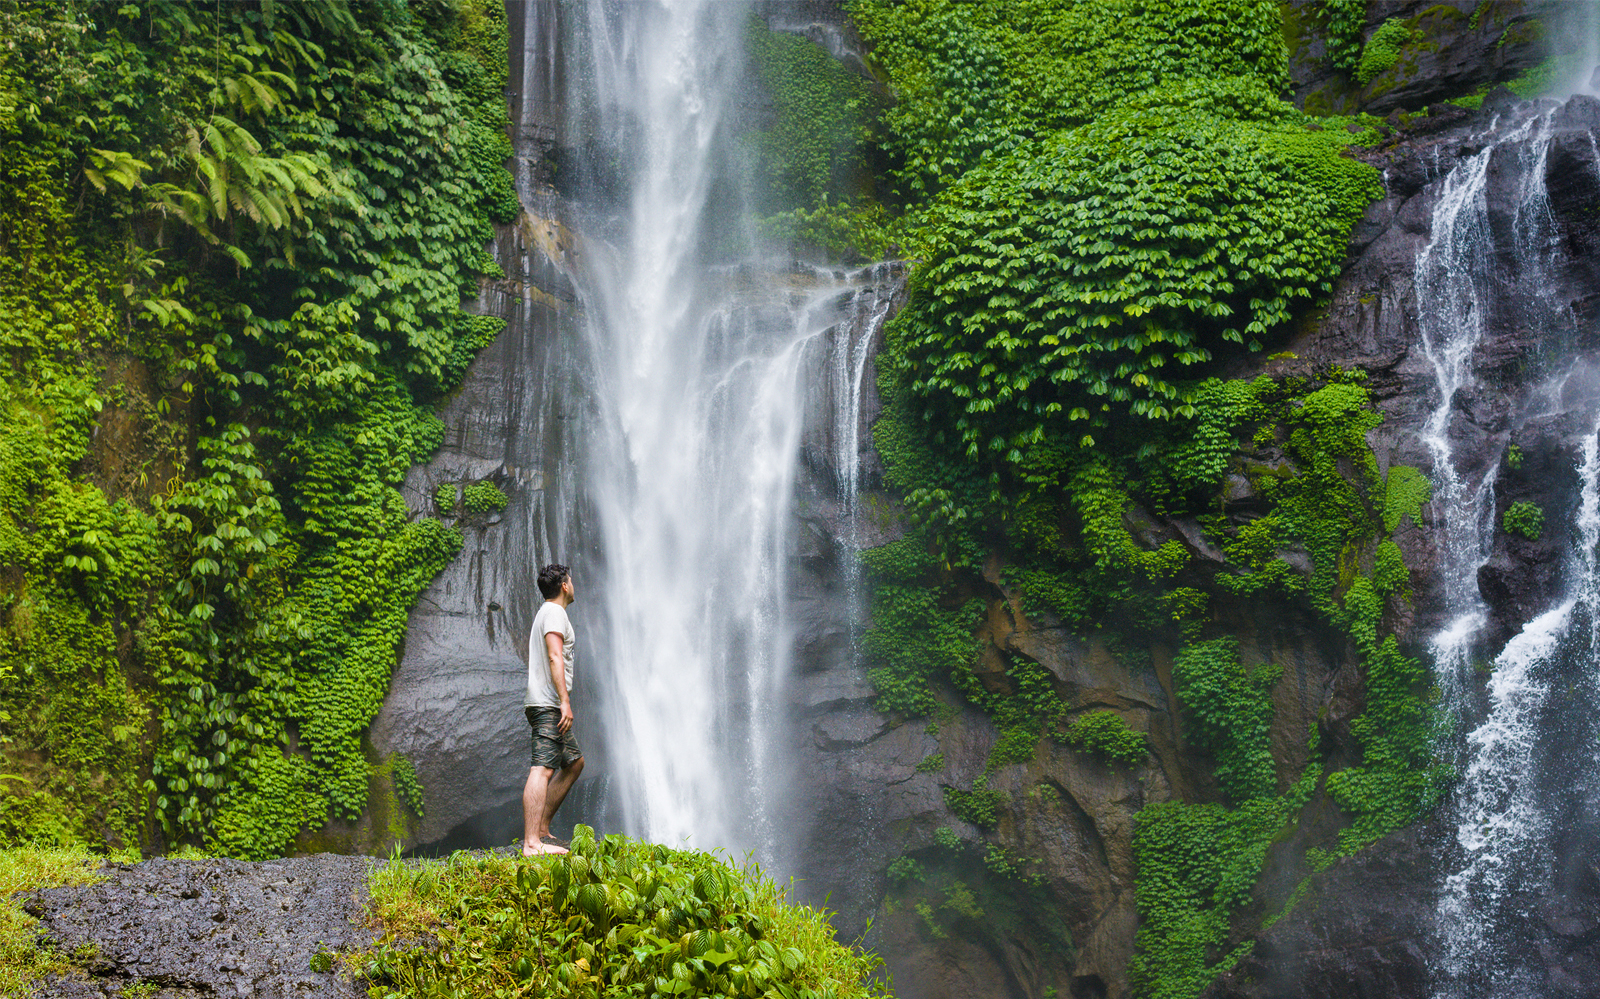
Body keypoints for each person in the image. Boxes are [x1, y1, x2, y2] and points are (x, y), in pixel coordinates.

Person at [522, 562, 584, 856]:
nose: (573, 585)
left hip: (545, 703)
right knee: (543, 769)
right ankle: (532, 843)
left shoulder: (547, 613)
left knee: (574, 762)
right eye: (571, 580)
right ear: (564, 586)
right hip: (549, 704)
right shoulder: (555, 613)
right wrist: (564, 701)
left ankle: (542, 828)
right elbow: (555, 657)